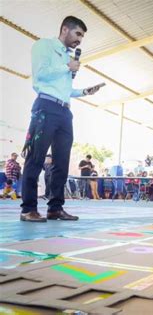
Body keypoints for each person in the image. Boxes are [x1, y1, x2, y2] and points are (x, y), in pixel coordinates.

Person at [20, 16, 103, 222]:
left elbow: (64, 90)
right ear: (65, 29)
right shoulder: (44, 46)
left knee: (62, 162)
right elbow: (40, 75)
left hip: (65, 111)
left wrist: (85, 91)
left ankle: (55, 208)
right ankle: (28, 209)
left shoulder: (68, 57)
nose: (80, 40)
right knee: (36, 158)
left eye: (82, 36)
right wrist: (67, 67)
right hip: (45, 107)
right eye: (78, 34)